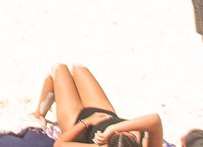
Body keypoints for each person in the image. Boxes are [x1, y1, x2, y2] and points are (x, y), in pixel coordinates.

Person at [30, 62, 164, 146]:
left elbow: (60, 144)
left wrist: (87, 122)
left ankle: (38, 114)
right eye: (129, 133)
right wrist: (112, 128)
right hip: (105, 113)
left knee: (60, 69)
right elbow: (155, 120)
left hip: (76, 121)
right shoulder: (146, 143)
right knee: (79, 68)